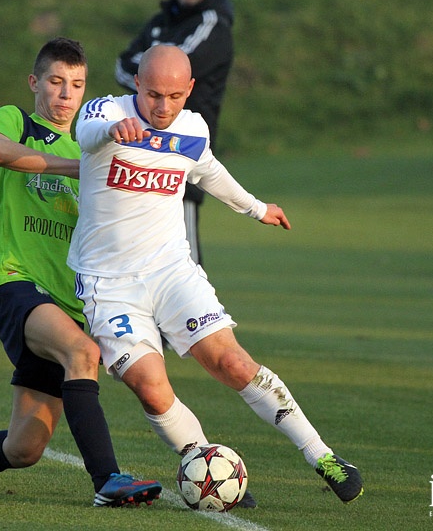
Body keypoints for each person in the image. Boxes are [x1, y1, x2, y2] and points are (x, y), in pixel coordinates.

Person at [70, 45, 364, 506]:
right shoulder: (108, 111)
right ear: (136, 85)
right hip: (109, 284)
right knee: (150, 387)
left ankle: (322, 456)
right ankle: (207, 467)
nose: (161, 107)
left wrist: (257, 208)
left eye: (172, 96)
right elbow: (84, 132)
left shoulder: (192, 127)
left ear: (188, 90)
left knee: (234, 364)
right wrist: (112, 129)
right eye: (151, 94)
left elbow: (207, 171)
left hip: (172, 271)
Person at [0, 38, 162, 508]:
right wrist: (79, 169)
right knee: (82, 352)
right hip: (14, 282)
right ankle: (108, 480)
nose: (65, 94)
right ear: (35, 83)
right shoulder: (17, 120)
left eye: (76, 85)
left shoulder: (93, 143)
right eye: (55, 82)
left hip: (67, 302)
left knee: (23, 447)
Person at [115, 0, 234, 266]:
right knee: (136, 256)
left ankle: (201, 316)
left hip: (182, 154)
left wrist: (149, 71)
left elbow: (171, 68)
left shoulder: (213, 26)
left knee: (186, 265)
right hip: (142, 155)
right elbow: (121, 65)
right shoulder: (159, 23)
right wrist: (147, 69)